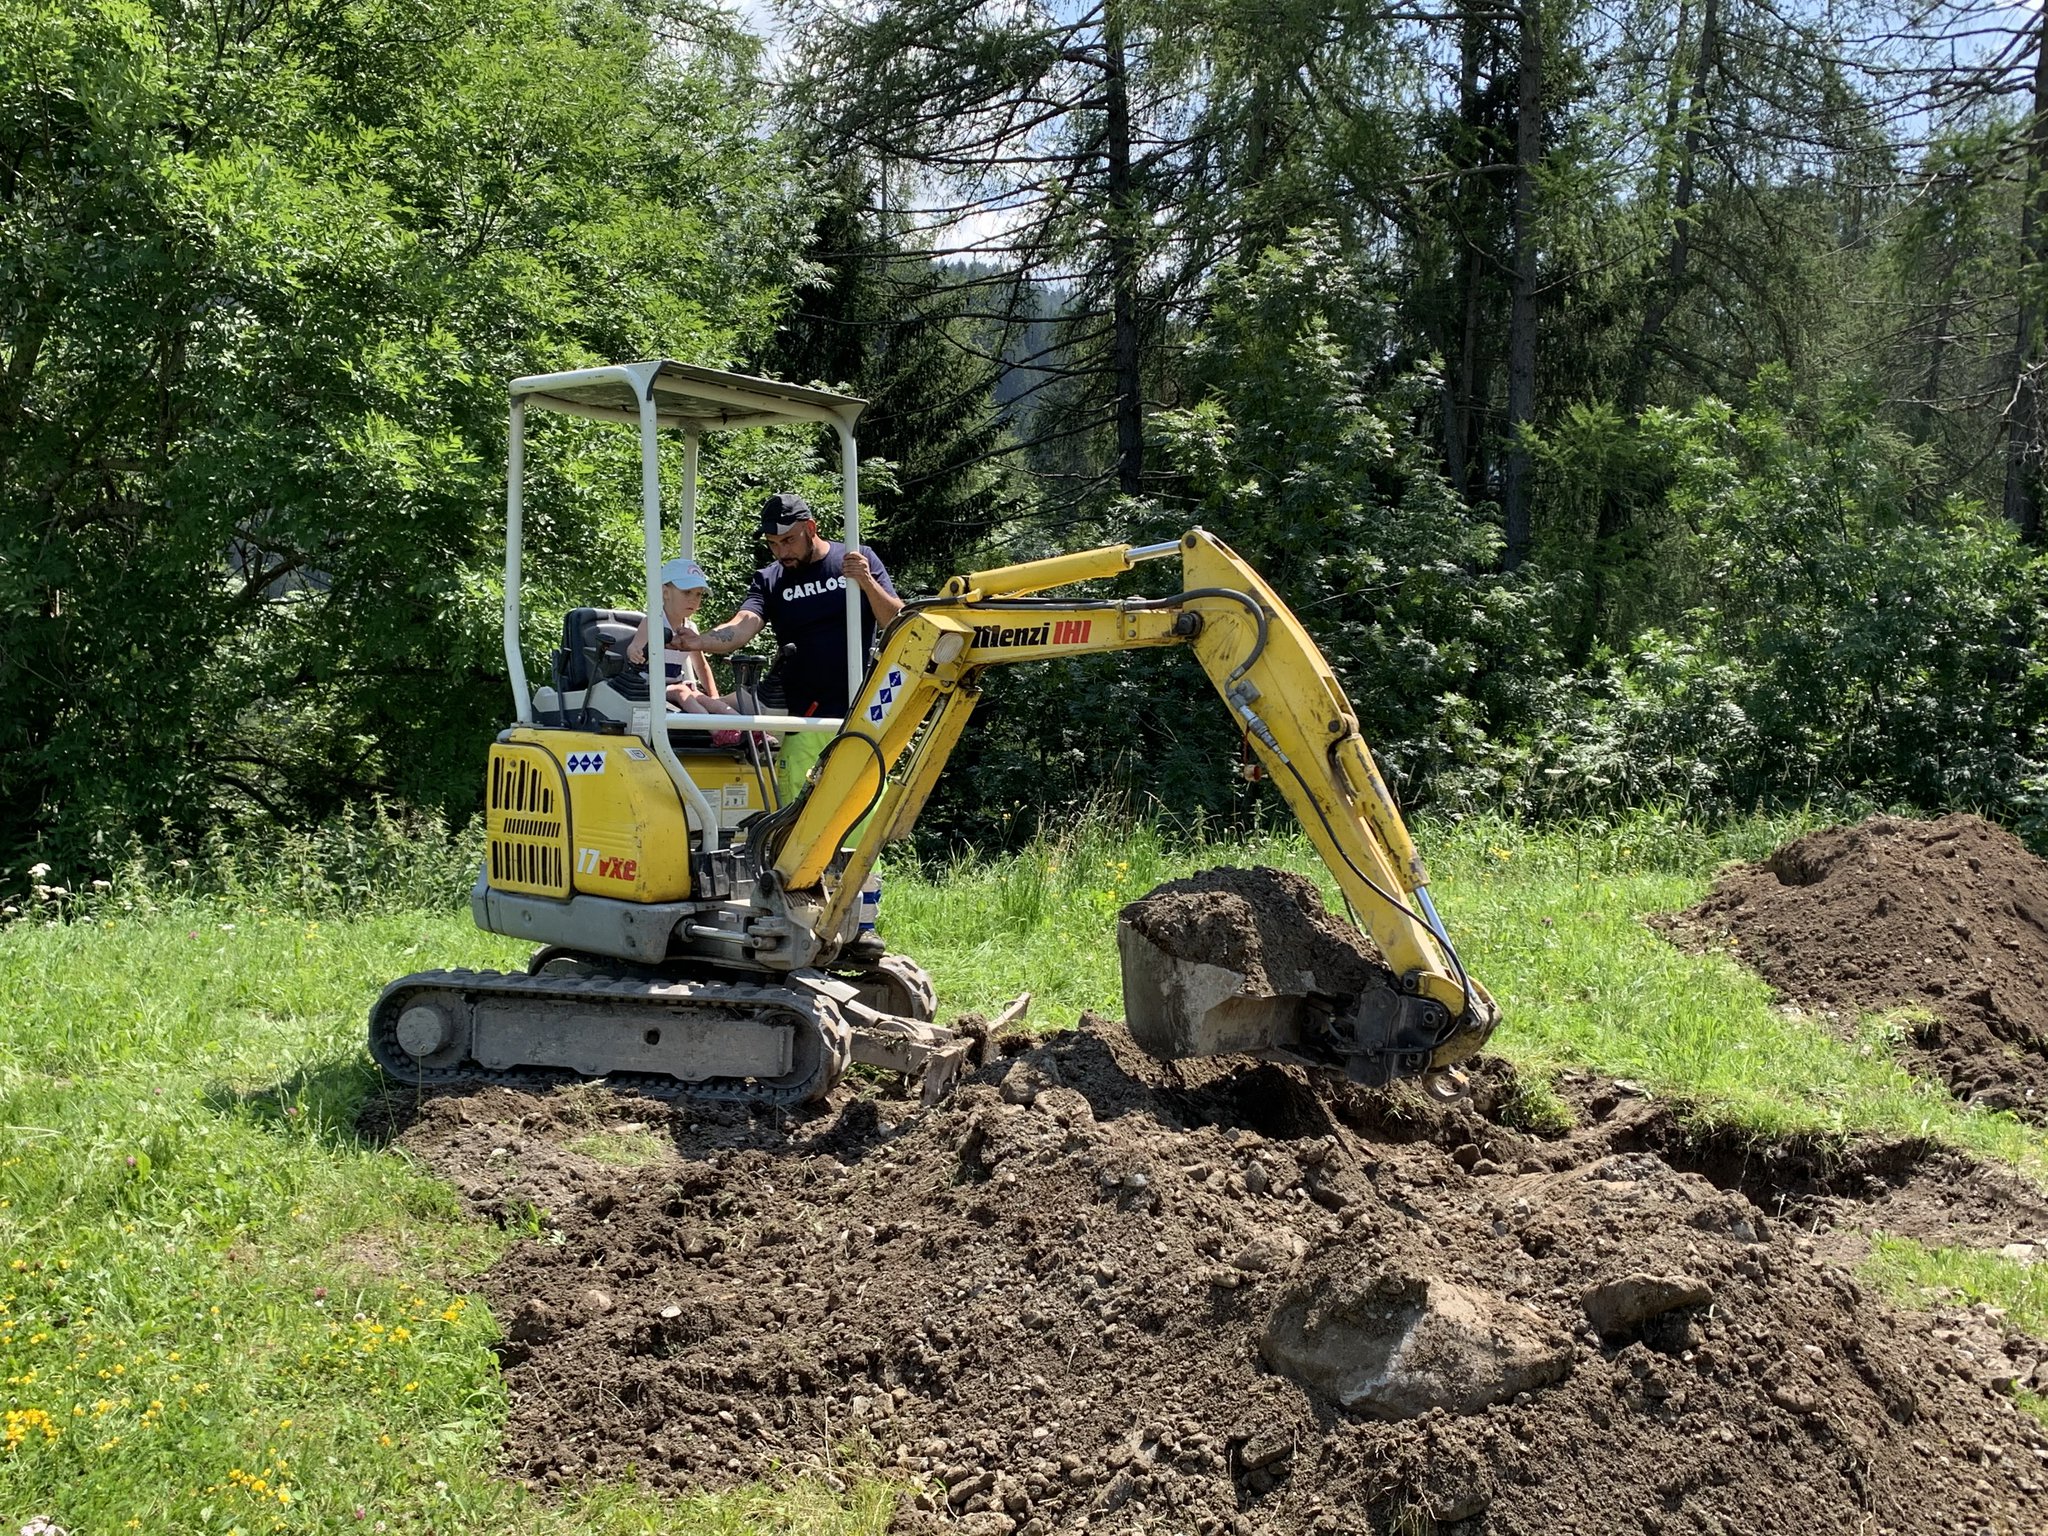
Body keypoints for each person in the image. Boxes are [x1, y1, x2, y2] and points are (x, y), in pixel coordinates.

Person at [673, 491, 902, 958]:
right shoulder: (772, 578)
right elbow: (742, 627)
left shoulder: (853, 560)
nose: (782, 551)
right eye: (773, 543)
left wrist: (865, 582)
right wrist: (700, 640)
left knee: (859, 810)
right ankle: (806, 909)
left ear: (812, 529)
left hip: (861, 708)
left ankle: (863, 921)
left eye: (789, 541)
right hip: (807, 711)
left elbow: (896, 619)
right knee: (802, 807)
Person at [622, 557, 741, 722]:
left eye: (698, 594)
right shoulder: (653, 622)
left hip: (676, 684)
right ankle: (716, 730)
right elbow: (634, 647)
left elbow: (701, 666)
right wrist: (634, 652)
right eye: (687, 592)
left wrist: (714, 697)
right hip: (650, 686)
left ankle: (749, 731)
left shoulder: (690, 629)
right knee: (682, 692)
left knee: (706, 700)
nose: (694, 599)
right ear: (665, 592)